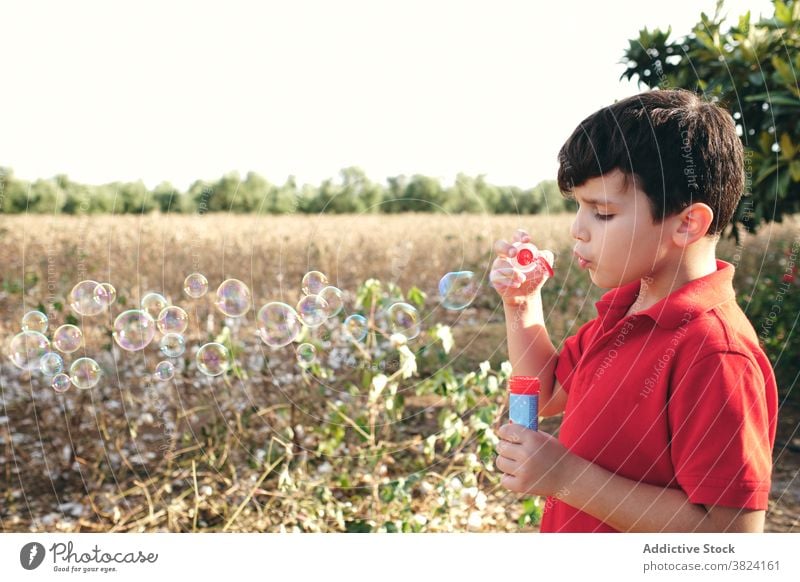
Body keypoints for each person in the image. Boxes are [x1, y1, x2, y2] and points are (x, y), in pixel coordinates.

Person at [490, 88, 778, 532]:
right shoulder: (627, 312)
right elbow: (543, 393)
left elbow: (732, 538)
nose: (577, 231)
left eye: (601, 213)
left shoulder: (715, 353)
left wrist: (566, 478)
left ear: (687, 223)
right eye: (579, 208)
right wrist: (522, 303)